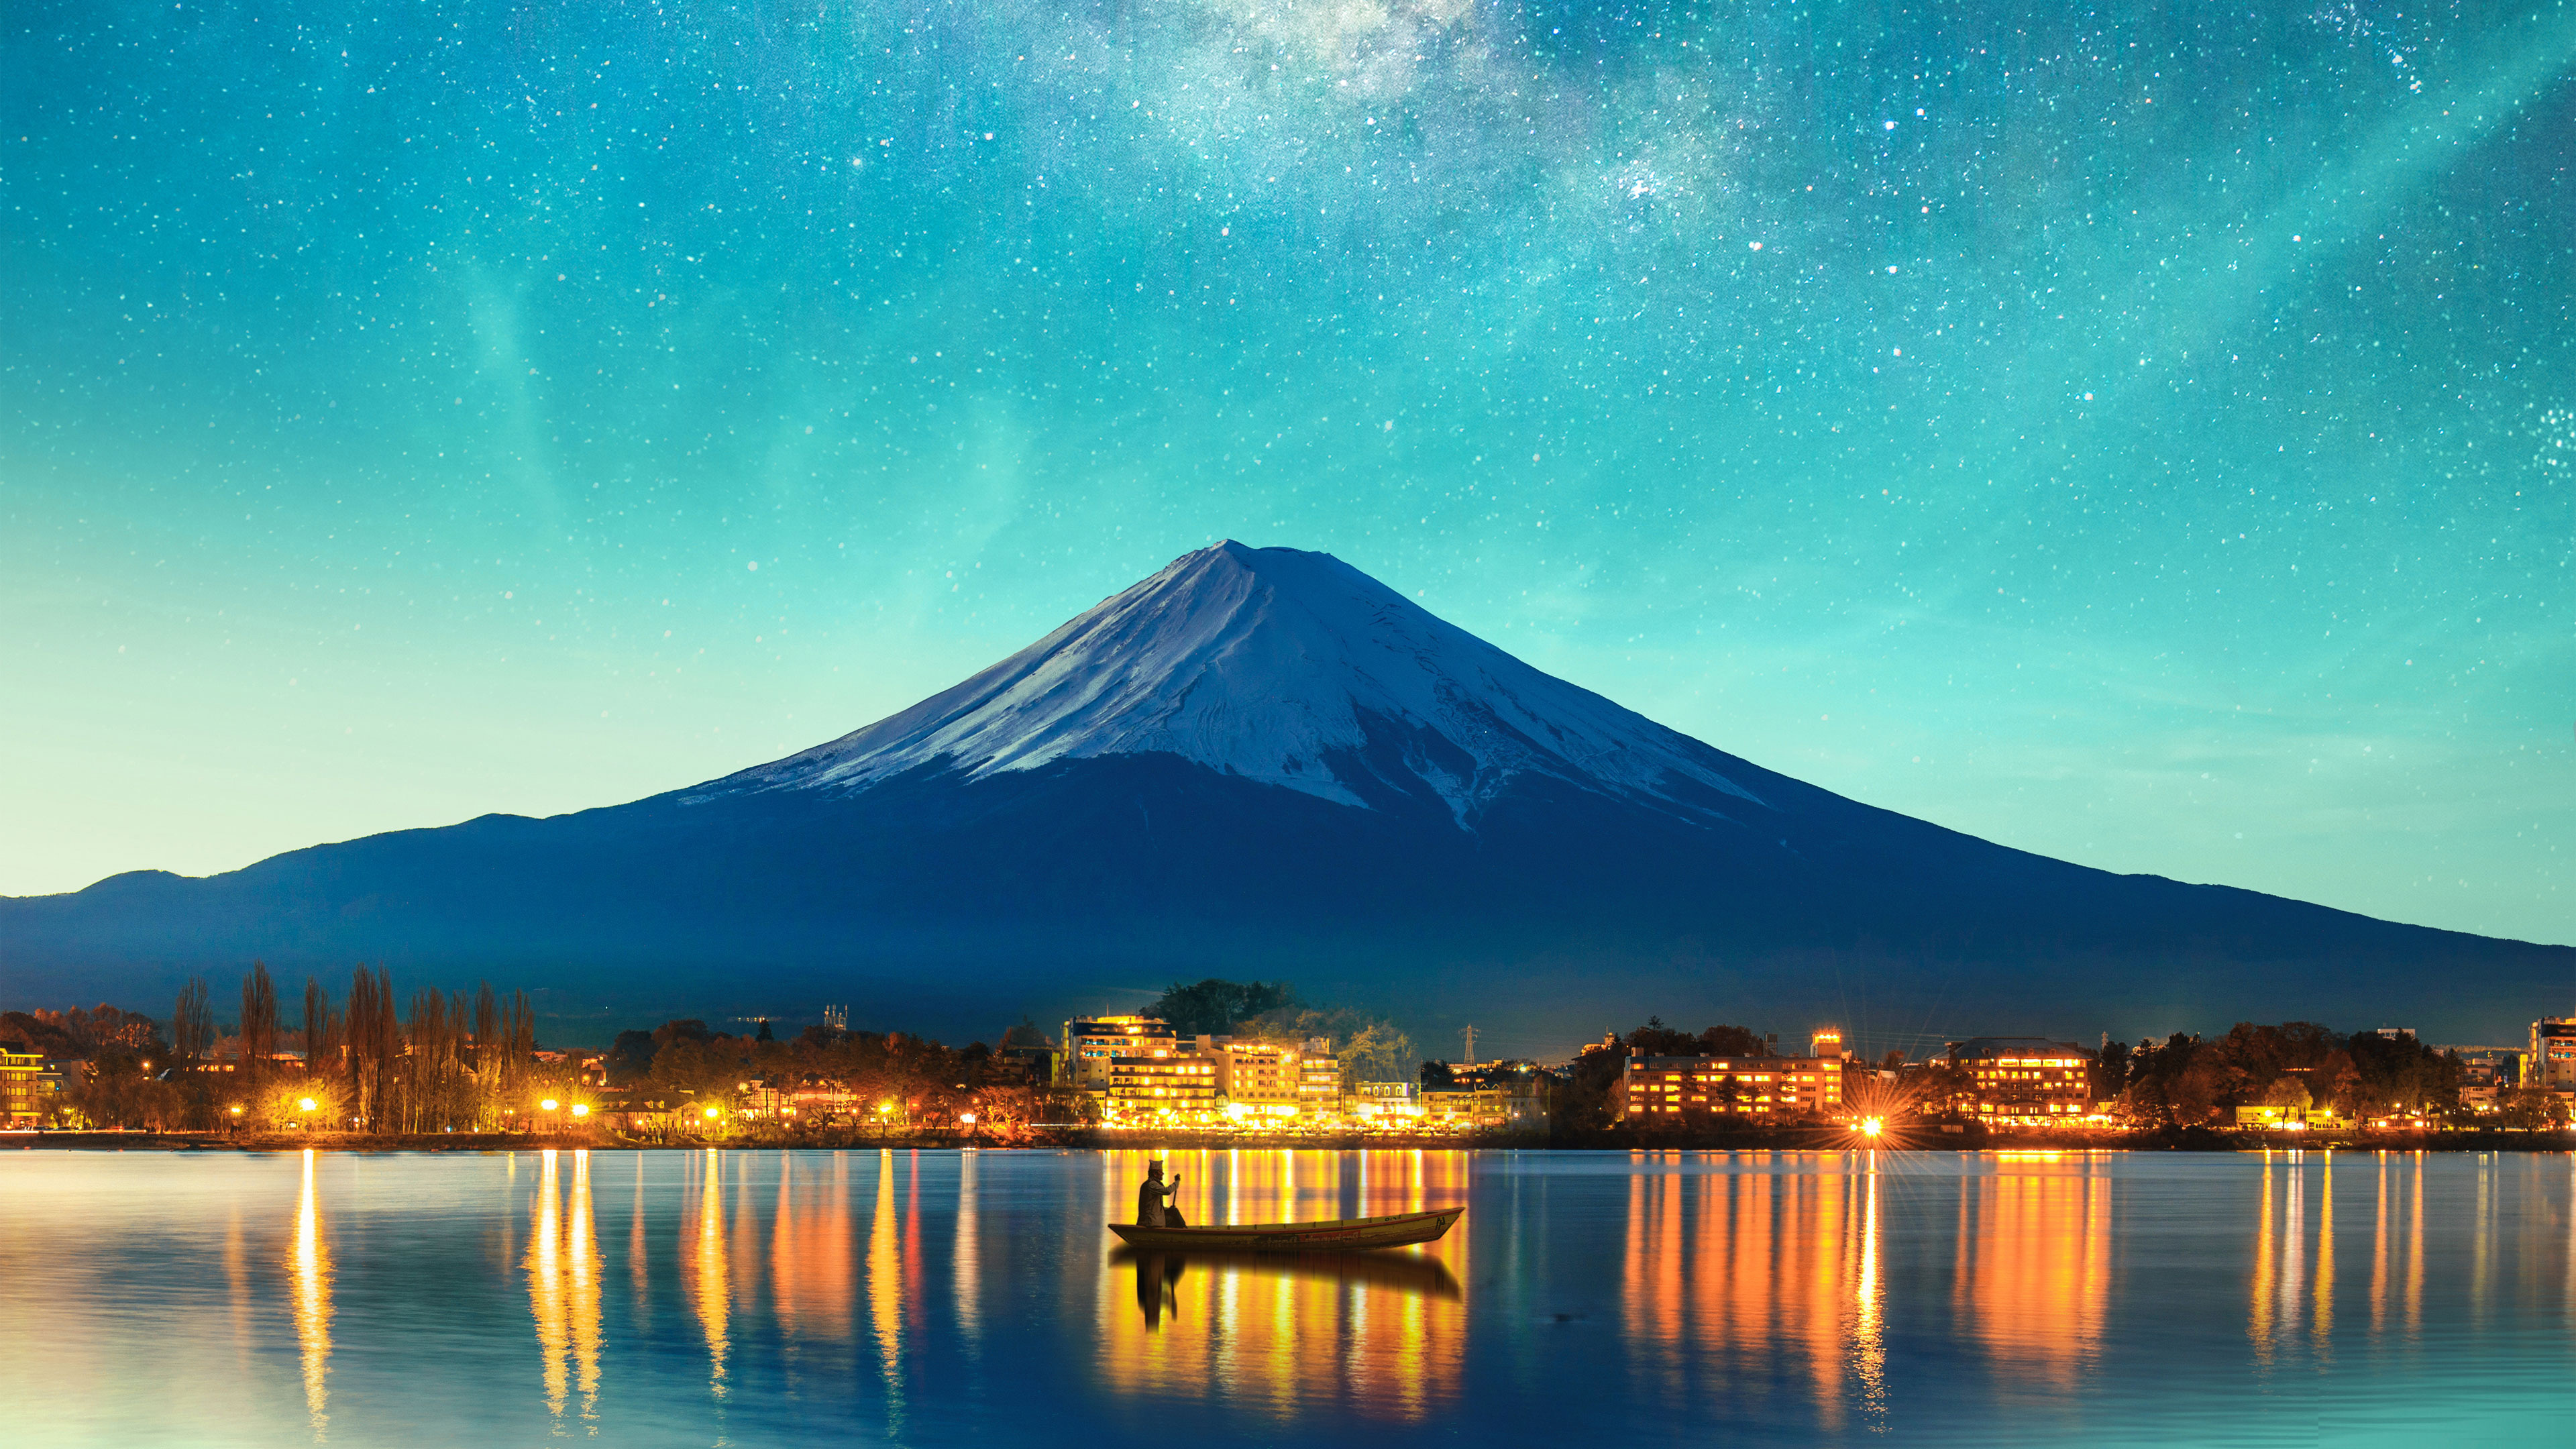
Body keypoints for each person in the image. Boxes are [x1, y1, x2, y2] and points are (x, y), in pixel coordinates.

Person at [1134, 1159, 1187, 1228]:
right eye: (1161, 1172)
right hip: (1150, 1220)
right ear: (1155, 1174)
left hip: (1154, 1217)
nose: (1163, 1173)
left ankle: (1184, 1228)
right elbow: (1167, 1191)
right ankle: (1185, 1230)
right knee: (1174, 1220)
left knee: (1174, 1211)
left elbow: (1154, 1207)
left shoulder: (1153, 1184)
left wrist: (1167, 1209)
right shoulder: (1151, 1185)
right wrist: (1177, 1182)